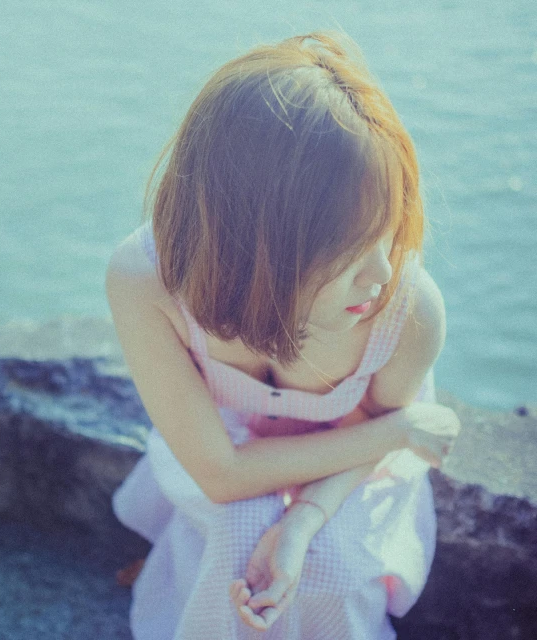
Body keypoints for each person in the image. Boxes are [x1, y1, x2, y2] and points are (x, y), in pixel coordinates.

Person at [105, 31, 460, 640]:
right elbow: (219, 472)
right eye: (349, 252)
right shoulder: (147, 280)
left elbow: (366, 438)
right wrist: (403, 430)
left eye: (389, 231)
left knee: (328, 559)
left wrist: (302, 523)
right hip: (227, 449)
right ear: (257, 248)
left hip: (355, 463)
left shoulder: (407, 306)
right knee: (237, 531)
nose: (379, 275)